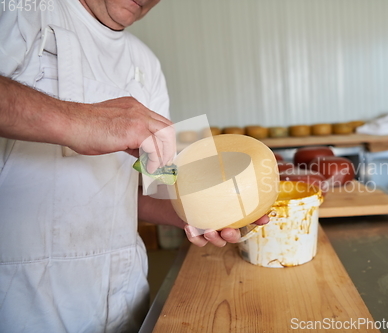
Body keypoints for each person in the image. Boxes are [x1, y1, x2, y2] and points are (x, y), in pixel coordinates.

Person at [0, 1, 268, 332]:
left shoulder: (146, 63)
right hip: (21, 300)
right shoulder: (19, 12)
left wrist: (205, 213)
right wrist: (75, 120)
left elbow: (143, 189)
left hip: (124, 295)